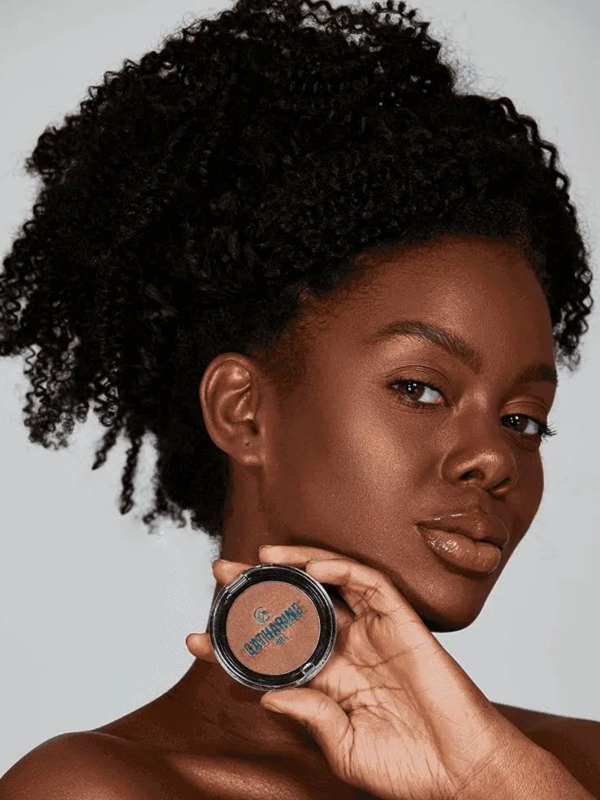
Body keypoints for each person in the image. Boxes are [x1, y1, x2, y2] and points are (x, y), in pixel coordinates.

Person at [0, 0, 598, 797]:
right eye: (419, 388)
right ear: (243, 411)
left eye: (523, 419)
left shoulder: (572, 768)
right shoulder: (100, 788)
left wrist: (494, 780)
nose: (495, 458)